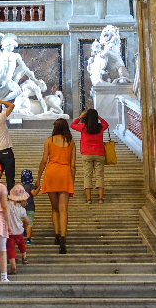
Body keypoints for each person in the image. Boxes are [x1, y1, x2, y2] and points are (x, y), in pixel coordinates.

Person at [36, 119, 76, 255]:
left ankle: (57, 235)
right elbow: (73, 165)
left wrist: (38, 178)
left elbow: (43, 160)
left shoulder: (49, 140)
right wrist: (72, 181)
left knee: (54, 208)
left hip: (51, 173)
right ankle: (63, 240)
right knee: (63, 209)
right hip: (64, 174)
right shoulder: (71, 142)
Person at [71, 108, 109, 204]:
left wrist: (80, 117)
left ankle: (88, 199)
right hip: (99, 154)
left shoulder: (83, 127)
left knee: (87, 176)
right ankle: (100, 199)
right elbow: (106, 124)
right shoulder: (100, 127)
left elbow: (72, 125)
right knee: (99, 176)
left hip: (86, 154)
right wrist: (99, 117)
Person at [6, 184, 30, 274]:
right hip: (19, 231)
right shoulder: (22, 209)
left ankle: (13, 267)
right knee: (21, 244)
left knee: (10, 248)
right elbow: (27, 220)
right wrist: (24, 226)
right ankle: (24, 258)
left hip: (9, 231)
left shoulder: (7, 205)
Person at [20, 170, 37, 245]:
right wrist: (38, 188)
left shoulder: (21, 187)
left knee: (24, 220)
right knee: (29, 223)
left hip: (22, 207)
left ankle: (23, 231)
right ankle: (28, 239)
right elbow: (34, 193)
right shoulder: (31, 186)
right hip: (30, 207)